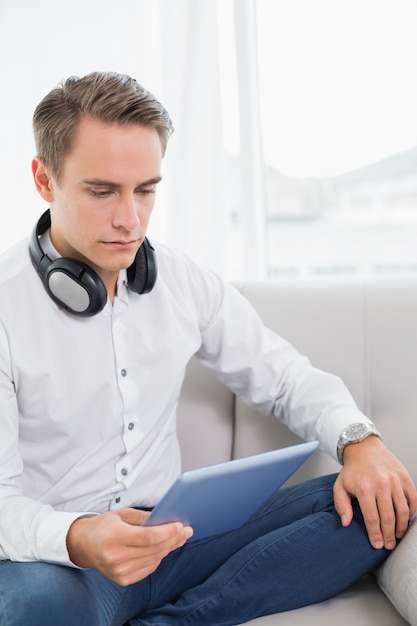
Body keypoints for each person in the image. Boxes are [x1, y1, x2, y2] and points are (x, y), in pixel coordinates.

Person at [0, 71, 415, 626]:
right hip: (63, 561)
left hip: (176, 536)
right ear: (44, 180)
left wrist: (359, 441)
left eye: (146, 190)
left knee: (381, 503)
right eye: (103, 191)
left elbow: (285, 376)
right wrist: (77, 536)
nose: (131, 219)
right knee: (26, 607)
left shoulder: (181, 280)